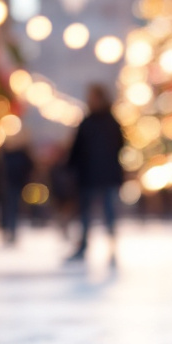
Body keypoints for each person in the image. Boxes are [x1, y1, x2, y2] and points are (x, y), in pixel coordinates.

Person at [66, 84, 124, 265]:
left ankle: (112, 249)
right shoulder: (89, 122)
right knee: (86, 215)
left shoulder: (109, 122)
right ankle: (83, 247)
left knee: (108, 214)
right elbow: (76, 149)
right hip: (89, 176)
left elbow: (120, 146)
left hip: (104, 176)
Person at [1, 137, 34, 244]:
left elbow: (30, 167)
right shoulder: (6, 155)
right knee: (10, 209)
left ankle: (12, 231)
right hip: (9, 185)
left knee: (13, 209)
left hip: (16, 185)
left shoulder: (20, 154)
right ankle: (9, 231)